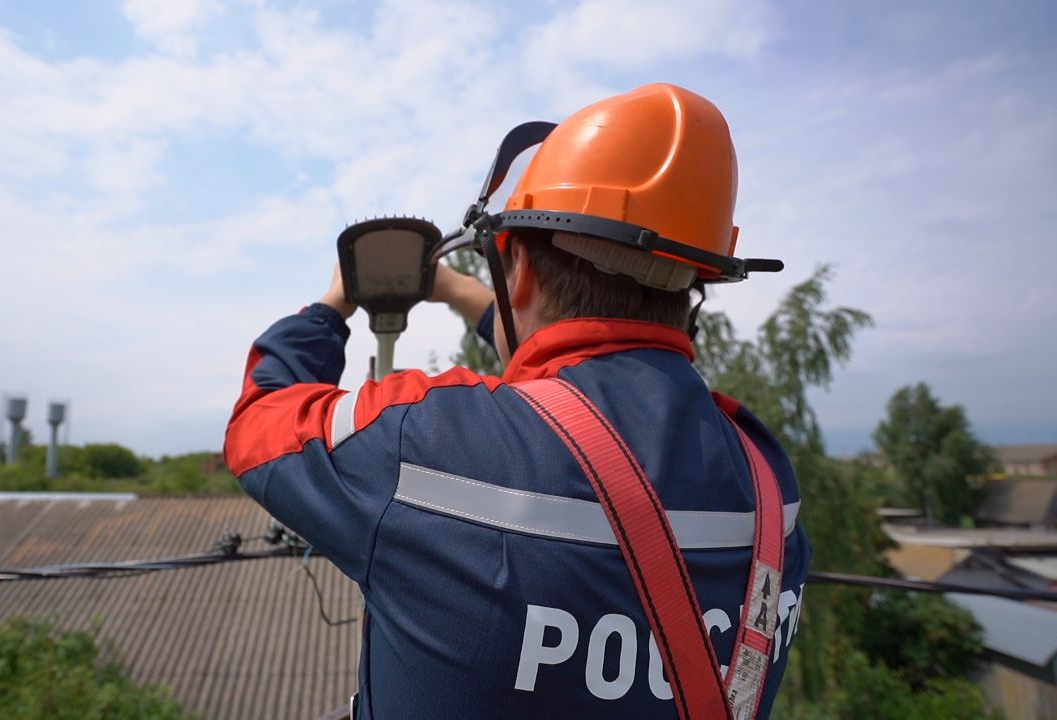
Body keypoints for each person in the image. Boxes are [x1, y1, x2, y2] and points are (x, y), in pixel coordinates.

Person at [224, 83, 810, 719]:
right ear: (697, 276)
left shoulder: (420, 446)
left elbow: (263, 420)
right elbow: (569, 381)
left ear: (520, 273)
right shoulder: (769, 481)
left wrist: (328, 307)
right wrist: (455, 289)